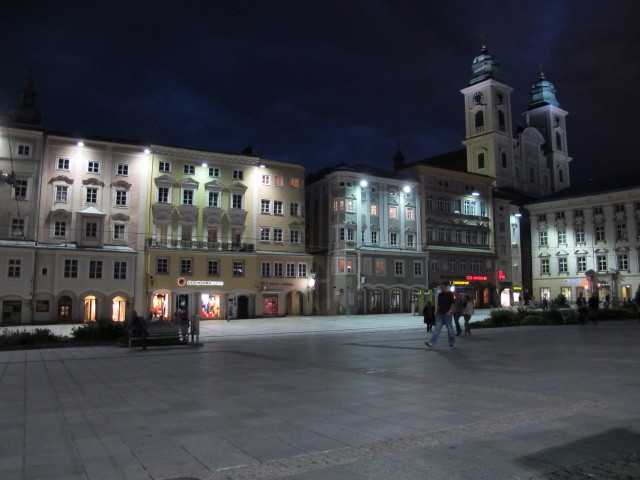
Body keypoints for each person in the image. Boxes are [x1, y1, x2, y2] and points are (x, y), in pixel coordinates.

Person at [425, 282, 456, 349]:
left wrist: (450, 311)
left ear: (446, 287)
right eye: (440, 287)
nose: (441, 288)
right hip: (440, 315)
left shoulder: (450, 294)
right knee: (437, 329)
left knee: (450, 330)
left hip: (447, 315)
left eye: (442, 287)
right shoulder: (440, 295)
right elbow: (438, 305)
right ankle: (431, 343)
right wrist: (436, 313)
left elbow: (452, 304)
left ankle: (452, 342)